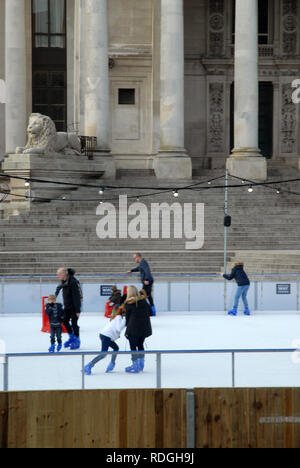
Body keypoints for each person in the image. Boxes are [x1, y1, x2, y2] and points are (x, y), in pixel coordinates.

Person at [84, 306, 126, 375]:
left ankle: (112, 363)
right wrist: (125, 319)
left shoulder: (118, 317)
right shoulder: (119, 317)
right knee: (103, 354)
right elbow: (118, 328)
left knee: (116, 348)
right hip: (106, 336)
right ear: (123, 313)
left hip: (106, 335)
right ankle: (89, 365)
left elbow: (117, 328)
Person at [124, 286, 152, 373]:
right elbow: (150, 312)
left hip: (133, 328)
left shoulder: (128, 303)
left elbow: (127, 318)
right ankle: (141, 364)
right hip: (144, 328)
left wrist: (127, 329)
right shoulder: (144, 301)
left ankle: (135, 364)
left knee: (133, 346)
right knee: (140, 345)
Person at [56, 267, 82, 350]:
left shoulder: (73, 282)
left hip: (74, 307)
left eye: (59, 274)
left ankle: (77, 340)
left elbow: (76, 297)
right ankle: (71, 337)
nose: (58, 276)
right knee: (65, 321)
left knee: (74, 323)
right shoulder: (64, 281)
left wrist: (78, 310)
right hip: (67, 306)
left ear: (64, 274)